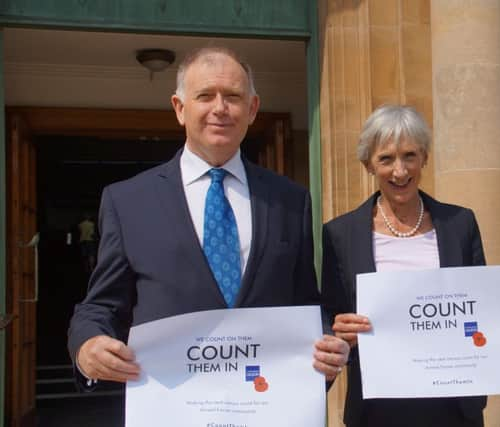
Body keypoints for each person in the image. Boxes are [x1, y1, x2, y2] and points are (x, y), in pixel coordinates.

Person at [68, 47, 349, 389]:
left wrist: (326, 341)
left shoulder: (290, 200)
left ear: (252, 109)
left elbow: (305, 303)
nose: (220, 108)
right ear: (180, 109)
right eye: (205, 96)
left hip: (265, 402)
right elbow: (101, 304)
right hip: (173, 407)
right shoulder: (128, 201)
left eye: (233, 96)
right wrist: (87, 347)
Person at [321, 105, 500, 427]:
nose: (400, 171)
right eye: (386, 158)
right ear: (368, 164)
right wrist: (339, 333)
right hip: (378, 410)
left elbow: (482, 308)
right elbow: (329, 321)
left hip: (454, 408)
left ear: (425, 158)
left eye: (410, 156)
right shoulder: (340, 234)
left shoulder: (460, 223)